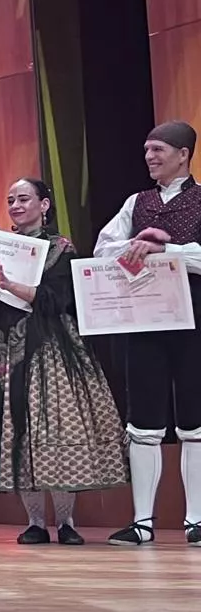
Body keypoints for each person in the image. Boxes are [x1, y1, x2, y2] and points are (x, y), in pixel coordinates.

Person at [0, 178, 127, 544]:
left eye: (24, 198)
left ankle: (67, 522)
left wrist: (10, 286)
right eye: (10, 200)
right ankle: (35, 522)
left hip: (51, 349)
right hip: (6, 349)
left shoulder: (60, 248)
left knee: (56, 431)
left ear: (44, 204)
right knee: (17, 431)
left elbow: (59, 300)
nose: (15, 205)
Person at [92, 121, 201, 547]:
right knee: (143, 422)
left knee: (195, 421)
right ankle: (142, 521)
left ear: (183, 154)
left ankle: (196, 518)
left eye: (158, 149)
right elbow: (103, 248)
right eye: (146, 150)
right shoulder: (136, 202)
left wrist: (167, 250)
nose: (150, 157)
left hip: (194, 319)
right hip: (144, 320)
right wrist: (139, 242)